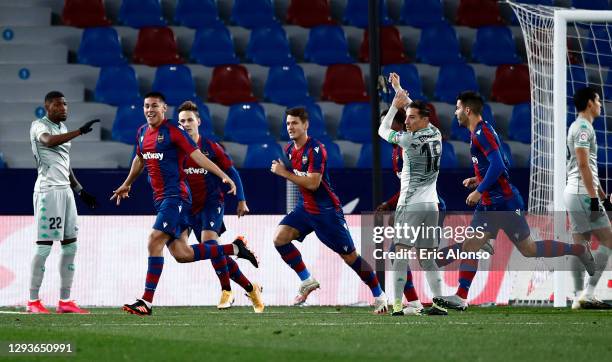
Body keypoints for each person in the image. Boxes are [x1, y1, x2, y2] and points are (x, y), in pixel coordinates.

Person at [433, 91, 595, 311]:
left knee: (527, 249)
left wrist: (479, 189)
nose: (455, 113)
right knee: (472, 245)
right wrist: (478, 179)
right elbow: (503, 162)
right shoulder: (482, 131)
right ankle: (461, 297)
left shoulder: (482, 133)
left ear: (467, 110)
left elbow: (499, 165)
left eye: (458, 108)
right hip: (491, 204)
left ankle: (578, 250)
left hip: (504, 203)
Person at [111, 92, 258, 316]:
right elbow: (140, 158)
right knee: (182, 254)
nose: (150, 110)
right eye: (146, 106)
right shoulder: (142, 132)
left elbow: (197, 155)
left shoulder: (173, 131)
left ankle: (146, 302)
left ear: (164, 109)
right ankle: (235, 248)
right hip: (160, 200)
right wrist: (127, 183)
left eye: (154, 106)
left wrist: (222, 175)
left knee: (153, 241)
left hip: (176, 197)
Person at [271, 107, 388, 314]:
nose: (290, 127)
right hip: (306, 208)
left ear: (305, 125)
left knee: (350, 257)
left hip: (327, 213)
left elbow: (314, 184)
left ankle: (379, 295)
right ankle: (307, 280)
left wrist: (284, 173)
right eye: (288, 123)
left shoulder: (316, 149)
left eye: (295, 123)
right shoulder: (290, 149)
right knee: (279, 238)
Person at [176, 100, 264, 313]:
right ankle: (252, 288)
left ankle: (226, 290)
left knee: (209, 242)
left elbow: (232, 172)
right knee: (204, 251)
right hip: (187, 207)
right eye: (181, 121)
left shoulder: (211, 147)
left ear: (198, 121)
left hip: (211, 203)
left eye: (189, 120)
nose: (186, 124)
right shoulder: (176, 150)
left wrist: (241, 199)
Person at [27, 91, 99, 314]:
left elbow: (65, 164)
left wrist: (79, 190)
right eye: (59, 104)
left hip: (66, 192)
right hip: (48, 192)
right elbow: (47, 142)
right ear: (48, 106)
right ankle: (33, 301)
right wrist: (79, 132)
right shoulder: (39, 126)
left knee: (71, 245)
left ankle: (65, 301)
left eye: (66, 104)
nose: (64, 108)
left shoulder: (63, 129)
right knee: (44, 247)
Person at [378, 84, 445, 316]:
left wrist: (394, 108)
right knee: (428, 258)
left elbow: (382, 130)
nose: (407, 122)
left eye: (411, 119)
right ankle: (438, 304)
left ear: (425, 119)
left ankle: (397, 306)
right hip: (432, 206)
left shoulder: (407, 140)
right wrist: (399, 90)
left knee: (401, 255)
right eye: (406, 118)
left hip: (410, 205)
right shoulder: (436, 133)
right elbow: (415, 109)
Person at [564, 87, 612, 309]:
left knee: (580, 245)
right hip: (583, 193)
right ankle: (588, 293)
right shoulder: (584, 128)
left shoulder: (577, 126)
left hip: (574, 192)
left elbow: (587, 168)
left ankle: (577, 297)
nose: (601, 104)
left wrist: (602, 197)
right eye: (599, 100)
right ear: (590, 103)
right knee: (609, 240)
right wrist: (594, 199)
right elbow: (583, 165)